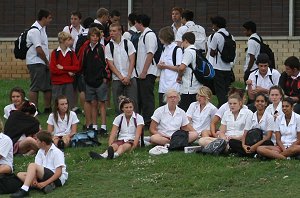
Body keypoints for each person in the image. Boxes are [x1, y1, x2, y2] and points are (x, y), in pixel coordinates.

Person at [11, 131, 68, 197]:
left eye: (37, 140)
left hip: (56, 179)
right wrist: (34, 179)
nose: (36, 142)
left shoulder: (57, 152)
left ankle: (25, 189)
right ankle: (43, 187)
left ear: (43, 143)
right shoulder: (41, 151)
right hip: (43, 175)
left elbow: (58, 173)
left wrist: (44, 183)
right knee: (20, 174)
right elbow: (36, 169)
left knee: (32, 165)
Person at [105, 23, 138, 115]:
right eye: (110, 31)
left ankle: (134, 124)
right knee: (118, 103)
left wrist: (128, 76)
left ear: (120, 32)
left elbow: (132, 61)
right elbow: (111, 64)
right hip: (117, 78)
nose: (111, 33)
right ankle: (120, 125)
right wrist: (120, 77)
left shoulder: (128, 43)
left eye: (114, 31)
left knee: (133, 101)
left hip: (130, 76)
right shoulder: (109, 46)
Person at [82, 27, 109, 133]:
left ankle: (103, 126)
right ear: (89, 36)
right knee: (93, 103)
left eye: (96, 36)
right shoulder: (86, 49)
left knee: (102, 103)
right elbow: (84, 64)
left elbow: (105, 63)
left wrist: (105, 77)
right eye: (92, 36)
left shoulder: (101, 48)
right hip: (89, 80)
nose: (94, 38)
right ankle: (94, 126)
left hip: (100, 80)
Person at [26, 9, 52, 114]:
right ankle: (34, 109)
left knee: (47, 86)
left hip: (43, 62)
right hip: (36, 62)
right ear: (44, 18)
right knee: (35, 87)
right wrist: (47, 62)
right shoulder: (34, 31)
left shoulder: (43, 29)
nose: (51, 20)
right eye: (49, 18)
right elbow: (39, 50)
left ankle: (47, 108)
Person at [135, 14, 158, 128]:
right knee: (142, 97)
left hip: (148, 72)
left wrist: (144, 71)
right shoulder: (142, 35)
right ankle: (143, 120)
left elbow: (150, 53)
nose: (134, 25)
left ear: (140, 23)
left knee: (147, 97)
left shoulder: (149, 35)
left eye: (135, 23)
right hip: (142, 72)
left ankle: (149, 121)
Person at [49, 31, 80, 110]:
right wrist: (67, 72)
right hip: (57, 83)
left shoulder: (71, 53)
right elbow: (53, 69)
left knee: (68, 104)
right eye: (69, 40)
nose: (71, 42)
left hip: (68, 83)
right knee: (56, 104)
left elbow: (76, 67)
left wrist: (63, 68)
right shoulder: (55, 53)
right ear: (62, 41)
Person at [209, 16, 235, 107]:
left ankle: (222, 108)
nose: (212, 26)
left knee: (220, 91)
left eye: (213, 24)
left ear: (216, 25)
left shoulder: (216, 35)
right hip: (228, 68)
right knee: (226, 89)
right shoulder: (230, 35)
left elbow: (212, 52)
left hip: (218, 67)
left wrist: (216, 51)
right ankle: (229, 106)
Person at [157, 26, 182, 106]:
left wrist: (165, 66)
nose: (160, 39)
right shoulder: (164, 49)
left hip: (173, 84)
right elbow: (160, 63)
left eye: (161, 37)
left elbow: (179, 68)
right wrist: (160, 65)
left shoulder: (177, 49)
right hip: (163, 85)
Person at [176, 32, 201, 111]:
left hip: (188, 88)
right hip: (196, 85)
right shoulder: (196, 50)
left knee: (185, 110)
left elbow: (182, 68)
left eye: (182, 41)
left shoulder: (188, 51)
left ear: (186, 41)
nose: (182, 44)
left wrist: (179, 76)